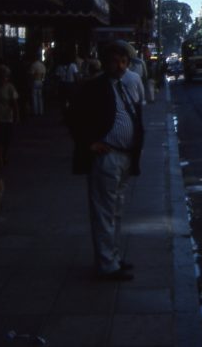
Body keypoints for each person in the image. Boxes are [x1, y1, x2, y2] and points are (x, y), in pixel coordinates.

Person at [67, 40, 145, 281]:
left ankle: (113, 256)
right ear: (105, 62)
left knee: (117, 211)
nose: (120, 66)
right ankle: (106, 264)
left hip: (124, 157)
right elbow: (73, 117)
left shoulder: (126, 84)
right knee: (104, 212)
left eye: (124, 62)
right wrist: (90, 143)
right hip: (106, 156)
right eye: (115, 61)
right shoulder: (94, 87)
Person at [0, 64, 20, 169]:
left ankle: (4, 156)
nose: (3, 79)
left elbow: (14, 103)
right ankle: (0, 159)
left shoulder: (10, 88)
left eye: (5, 76)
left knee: (6, 140)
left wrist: (16, 116)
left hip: (7, 118)